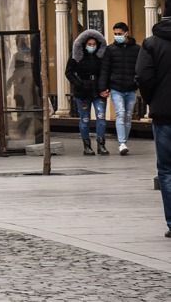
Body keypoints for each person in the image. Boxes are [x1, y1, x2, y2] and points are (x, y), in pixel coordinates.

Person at [136, 13, 171, 238]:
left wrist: (153, 101)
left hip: (164, 114)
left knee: (167, 170)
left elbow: (143, 77)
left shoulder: (151, 44)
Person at [102, 21, 141, 155]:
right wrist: (104, 87)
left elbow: (140, 68)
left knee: (128, 116)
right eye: (115, 34)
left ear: (126, 33)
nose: (117, 36)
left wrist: (137, 82)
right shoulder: (110, 49)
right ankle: (122, 143)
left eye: (119, 33)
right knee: (121, 113)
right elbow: (105, 69)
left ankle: (124, 141)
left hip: (131, 88)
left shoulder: (137, 49)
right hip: (116, 87)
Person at [67, 29, 108, 155]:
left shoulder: (101, 57)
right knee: (84, 119)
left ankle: (101, 144)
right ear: (84, 44)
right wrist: (79, 83)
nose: (92, 46)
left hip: (98, 90)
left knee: (101, 117)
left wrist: (106, 88)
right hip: (82, 92)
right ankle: (87, 146)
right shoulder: (76, 56)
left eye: (94, 44)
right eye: (89, 44)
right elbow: (68, 72)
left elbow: (106, 72)